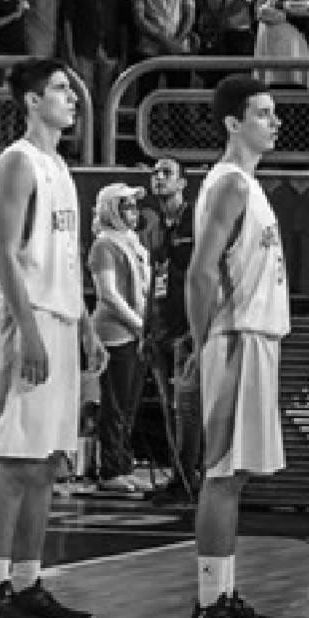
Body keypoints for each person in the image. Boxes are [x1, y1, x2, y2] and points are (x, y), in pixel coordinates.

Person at [0, 60, 104, 618]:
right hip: (22, 319)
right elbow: (2, 253)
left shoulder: (59, 167)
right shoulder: (17, 161)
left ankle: (27, 583)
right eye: (59, 88)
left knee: (49, 460)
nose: (72, 96)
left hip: (59, 318)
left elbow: (66, 260)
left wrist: (84, 323)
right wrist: (28, 328)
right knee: (15, 456)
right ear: (30, 100)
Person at [184, 76, 291, 618]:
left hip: (254, 338)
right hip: (234, 338)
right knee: (223, 474)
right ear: (232, 122)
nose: (274, 123)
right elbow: (199, 272)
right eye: (263, 113)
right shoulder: (228, 184)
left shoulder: (249, 185)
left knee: (236, 474)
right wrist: (203, 344)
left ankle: (222, 595)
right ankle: (209, 606)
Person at [138, 157, 200, 506]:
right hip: (160, 328)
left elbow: (207, 275)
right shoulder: (157, 226)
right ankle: (179, 473)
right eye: (155, 173)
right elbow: (154, 280)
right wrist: (146, 328)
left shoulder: (196, 219)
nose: (158, 178)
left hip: (187, 329)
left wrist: (199, 326)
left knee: (186, 408)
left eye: (167, 173)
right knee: (168, 407)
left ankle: (186, 477)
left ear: (182, 183)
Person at [86, 183, 150, 495]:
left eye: (134, 207)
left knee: (129, 404)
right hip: (116, 335)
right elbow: (108, 295)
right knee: (115, 404)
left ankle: (123, 465)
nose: (133, 212)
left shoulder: (132, 242)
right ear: (111, 209)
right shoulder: (104, 246)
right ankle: (110, 470)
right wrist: (139, 325)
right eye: (126, 206)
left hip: (136, 333)